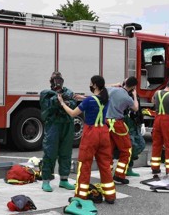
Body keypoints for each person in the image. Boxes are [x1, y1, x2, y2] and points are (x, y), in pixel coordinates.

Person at [58, 75, 116, 204]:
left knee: (85, 165)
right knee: (105, 165)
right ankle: (110, 195)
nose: (89, 85)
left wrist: (62, 103)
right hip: (104, 132)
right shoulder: (106, 99)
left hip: (91, 133)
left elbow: (73, 113)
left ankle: (80, 196)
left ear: (94, 85)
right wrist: (81, 98)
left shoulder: (89, 101)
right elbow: (95, 100)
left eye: (90, 83)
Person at [39, 72, 76, 192]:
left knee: (66, 152)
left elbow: (73, 104)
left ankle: (64, 180)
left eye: (59, 79)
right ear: (51, 81)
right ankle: (46, 180)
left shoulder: (68, 92)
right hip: (53, 125)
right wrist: (59, 99)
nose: (58, 82)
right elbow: (48, 106)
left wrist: (64, 99)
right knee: (50, 152)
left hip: (67, 124)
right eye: (55, 80)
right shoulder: (46, 94)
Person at [106, 78, 139, 184]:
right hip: (117, 123)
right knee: (126, 150)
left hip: (106, 122)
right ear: (133, 87)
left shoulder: (112, 90)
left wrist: (114, 84)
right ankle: (119, 175)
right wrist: (134, 96)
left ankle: (107, 174)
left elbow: (101, 88)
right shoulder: (127, 98)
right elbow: (135, 108)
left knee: (108, 150)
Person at [150, 80, 169, 174]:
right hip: (167, 120)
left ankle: (155, 167)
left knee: (156, 144)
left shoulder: (157, 92)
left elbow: (152, 101)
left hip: (157, 118)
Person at [122, 77, 146, 177]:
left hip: (134, 123)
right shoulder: (123, 94)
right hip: (126, 124)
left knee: (140, 144)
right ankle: (125, 168)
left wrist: (142, 123)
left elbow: (138, 110)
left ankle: (129, 166)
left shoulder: (135, 94)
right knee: (129, 146)